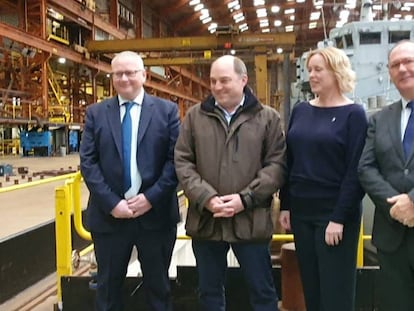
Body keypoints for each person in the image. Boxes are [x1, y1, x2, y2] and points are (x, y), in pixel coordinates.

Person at [174, 55, 286, 311]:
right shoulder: (194, 117)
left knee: (262, 292)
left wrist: (244, 199)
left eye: (224, 80)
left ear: (243, 80)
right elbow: (182, 162)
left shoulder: (267, 118)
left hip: (251, 222)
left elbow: (276, 166)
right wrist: (207, 198)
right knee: (209, 293)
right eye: (213, 81)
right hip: (207, 222)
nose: (217, 86)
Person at [80, 51, 180, 311]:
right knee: (108, 291)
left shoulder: (167, 112)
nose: (124, 79)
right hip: (110, 218)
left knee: (158, 290)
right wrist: (112, 203)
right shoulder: (96, 113)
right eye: (118, 74)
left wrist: (150, 198)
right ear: (112, 77)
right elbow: (88, 163)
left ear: (144, 75)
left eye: (130, 72)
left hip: (155, 217)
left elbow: (175, 161)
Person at [279, 46, 367, 311]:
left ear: (336, 71)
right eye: (310, 70)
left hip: (335, 216)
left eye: (318, 69)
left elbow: (355, 171)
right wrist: (286, 204)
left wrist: (339, 218)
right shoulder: (301, 110)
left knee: (336, 292)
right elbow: (289, 159)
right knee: (312, 289)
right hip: (303, 213)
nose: (312, 75)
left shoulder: (354, 114)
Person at [358, 40, 414, 311]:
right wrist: (396, 204)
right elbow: (365, 168)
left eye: (408, 61)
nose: (402, 68)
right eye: (395, 64)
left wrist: (412, 200)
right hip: (392, 237)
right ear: (390, 72)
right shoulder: (380, 119)